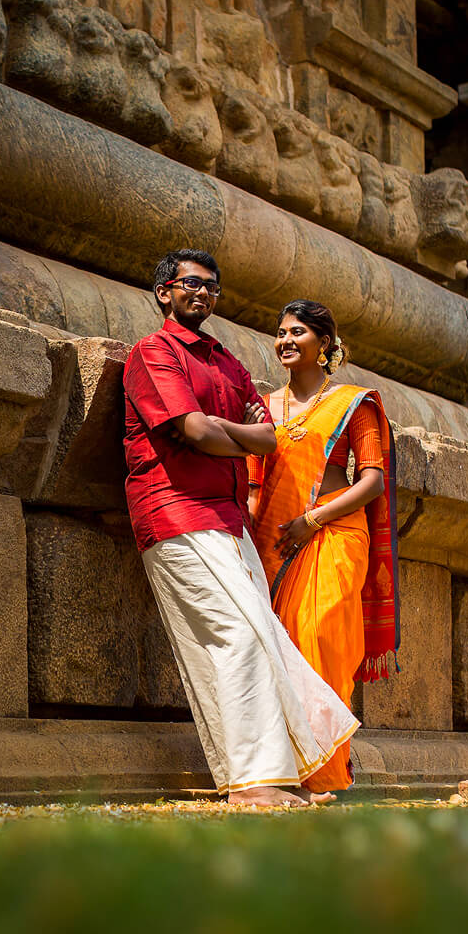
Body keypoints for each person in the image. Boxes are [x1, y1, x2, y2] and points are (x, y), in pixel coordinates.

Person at [123, 250, 359, 809]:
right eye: (190, 284)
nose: (202, 293)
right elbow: (194, 433)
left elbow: (267, 437)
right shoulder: (153, 353)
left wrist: (218, 430)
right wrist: (231, 433)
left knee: (264, 639)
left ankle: (280, 774)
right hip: (176, 509)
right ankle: (253, 782)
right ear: (164, 292)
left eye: (211, 287)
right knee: (240, 635)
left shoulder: (226, 361)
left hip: (230, 519)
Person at [245, 301, 398, 796]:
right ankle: (282, 771)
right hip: (274, 540)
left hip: (332, 534)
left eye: (298, 333)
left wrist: (312, 518)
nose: (286, 341)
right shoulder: (264, 407)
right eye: (281, 332)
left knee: (321, 644)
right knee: (279, 653)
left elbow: (372, 481)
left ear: (325, 345)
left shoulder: (355, 402)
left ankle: (325, 774)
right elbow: (252, 484)